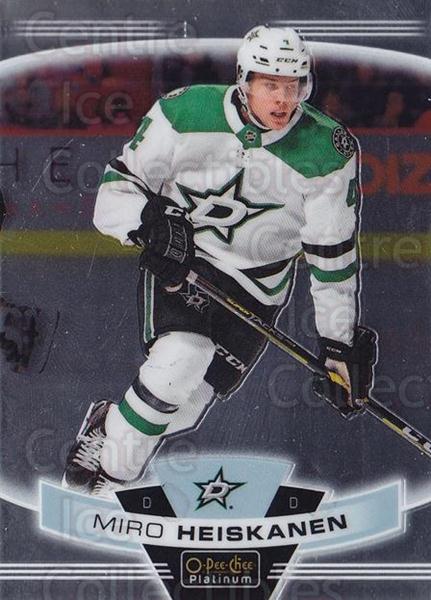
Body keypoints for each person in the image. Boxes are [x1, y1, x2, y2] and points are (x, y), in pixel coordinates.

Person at [62, 26, 376, 496]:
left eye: (293, 85)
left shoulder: (327, 152)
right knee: (180, 362)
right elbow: (115, 192)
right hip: (186, 261)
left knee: (185, 407)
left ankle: (110, 424)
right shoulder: (184, 112)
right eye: (270, 84)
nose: (283, 99)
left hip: (259, 286)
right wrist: (147, 223)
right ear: (244, 80)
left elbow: (331, 257)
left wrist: (338, 344)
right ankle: (111, 483)